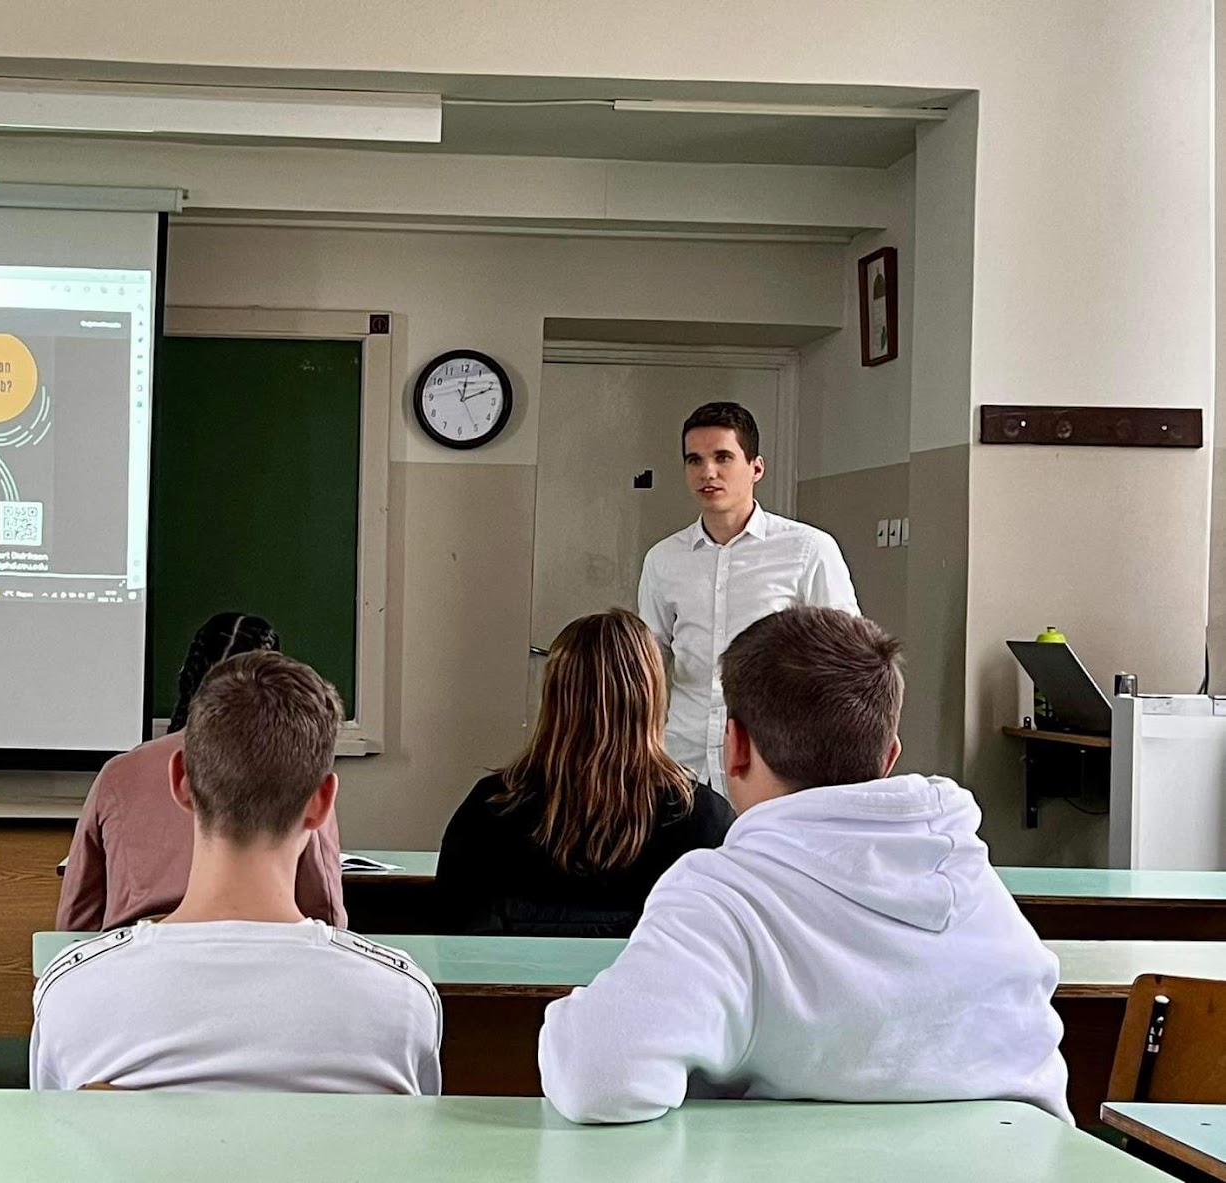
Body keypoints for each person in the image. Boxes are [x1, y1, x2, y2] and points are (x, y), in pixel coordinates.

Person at [538, 607, 1070, 1123]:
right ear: (889, 757)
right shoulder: (978, 886)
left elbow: (598, 1078)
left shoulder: (721, 899)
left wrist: (567, 1019)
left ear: (735, 747)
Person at [31, 651, 441, 1093]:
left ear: (180, 780)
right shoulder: (402, 1003)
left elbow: (60, 1152)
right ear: (323, 801)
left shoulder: (72, 995)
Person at [435, 608, 734, 937]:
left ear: (553, 695)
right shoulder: (704, 819)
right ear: (652, 697)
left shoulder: (490, 807)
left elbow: (449, 931)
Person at [56, 613, 346, 931]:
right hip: (275, 944)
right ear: (322, 798)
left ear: (182, 776)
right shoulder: (294, 765)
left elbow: (76, 918)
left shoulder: (119, 772)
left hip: (131, 958)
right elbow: (325, 910)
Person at [637, 402, 859, 792]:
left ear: (756, 467)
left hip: (774, 762)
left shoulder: (808, 550)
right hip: (682, 758)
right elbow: (649, 662)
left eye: (723, 457)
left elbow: (847, 659)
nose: (708, 472)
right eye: (695, 460)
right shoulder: (663, 559)